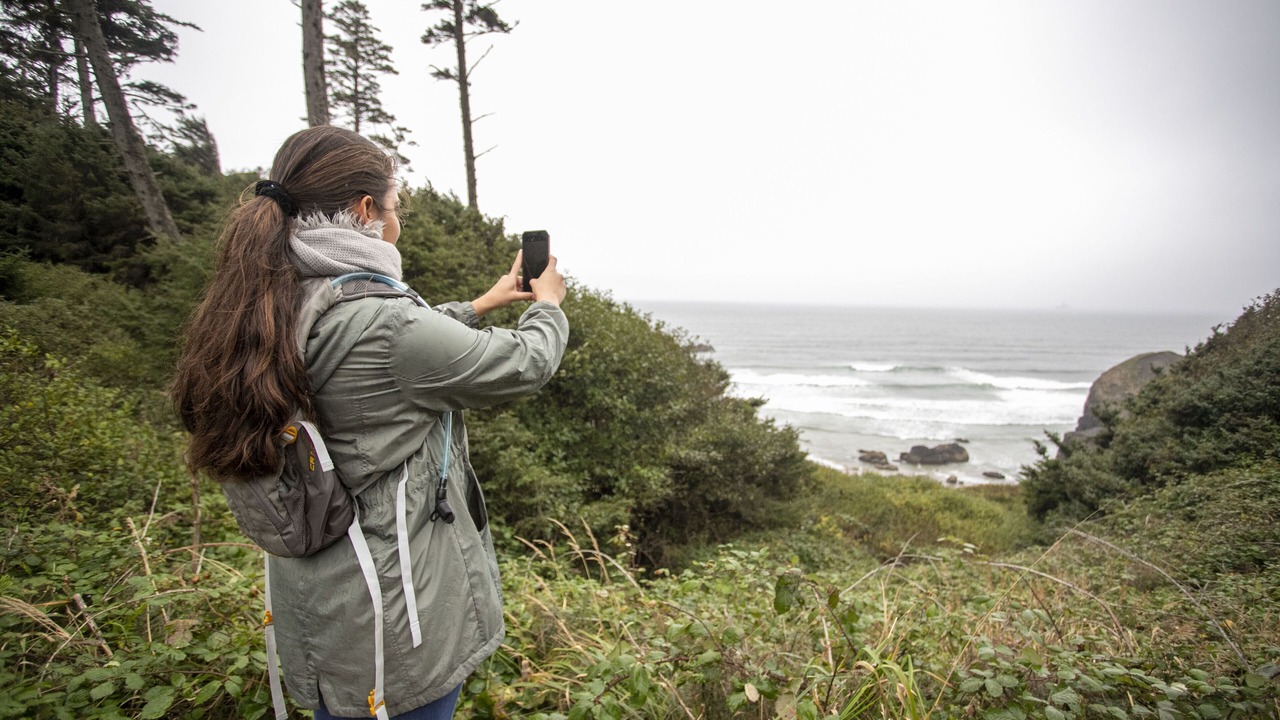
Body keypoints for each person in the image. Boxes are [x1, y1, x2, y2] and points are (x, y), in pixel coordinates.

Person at [170, 126, 569, 719]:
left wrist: (479, 305)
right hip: (394, 613)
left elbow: (389, 348)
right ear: (365, 210)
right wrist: (548, 308)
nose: (397, 218)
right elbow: (520, 364)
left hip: (326, 599)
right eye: (394, 204)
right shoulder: (385, 325)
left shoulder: (282, 294)